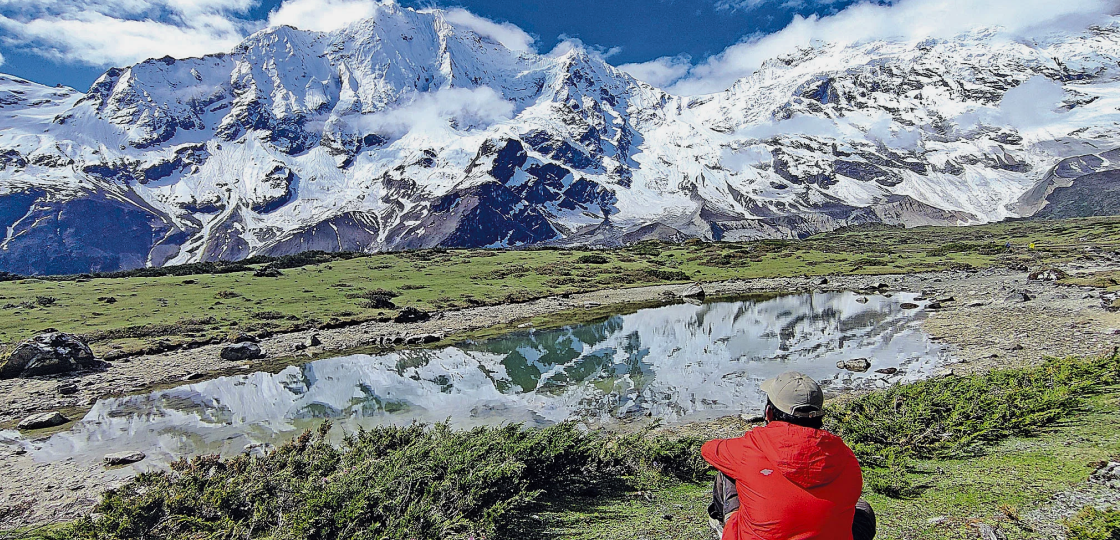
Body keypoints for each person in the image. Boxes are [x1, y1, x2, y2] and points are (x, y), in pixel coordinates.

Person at [702, 372, 875, 540]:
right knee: (862, 509)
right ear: (819, 417)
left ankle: (725, 524)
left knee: (727, 470)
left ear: (768, 413)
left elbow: (708, 449)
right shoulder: (846, 457)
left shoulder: (750, 448)